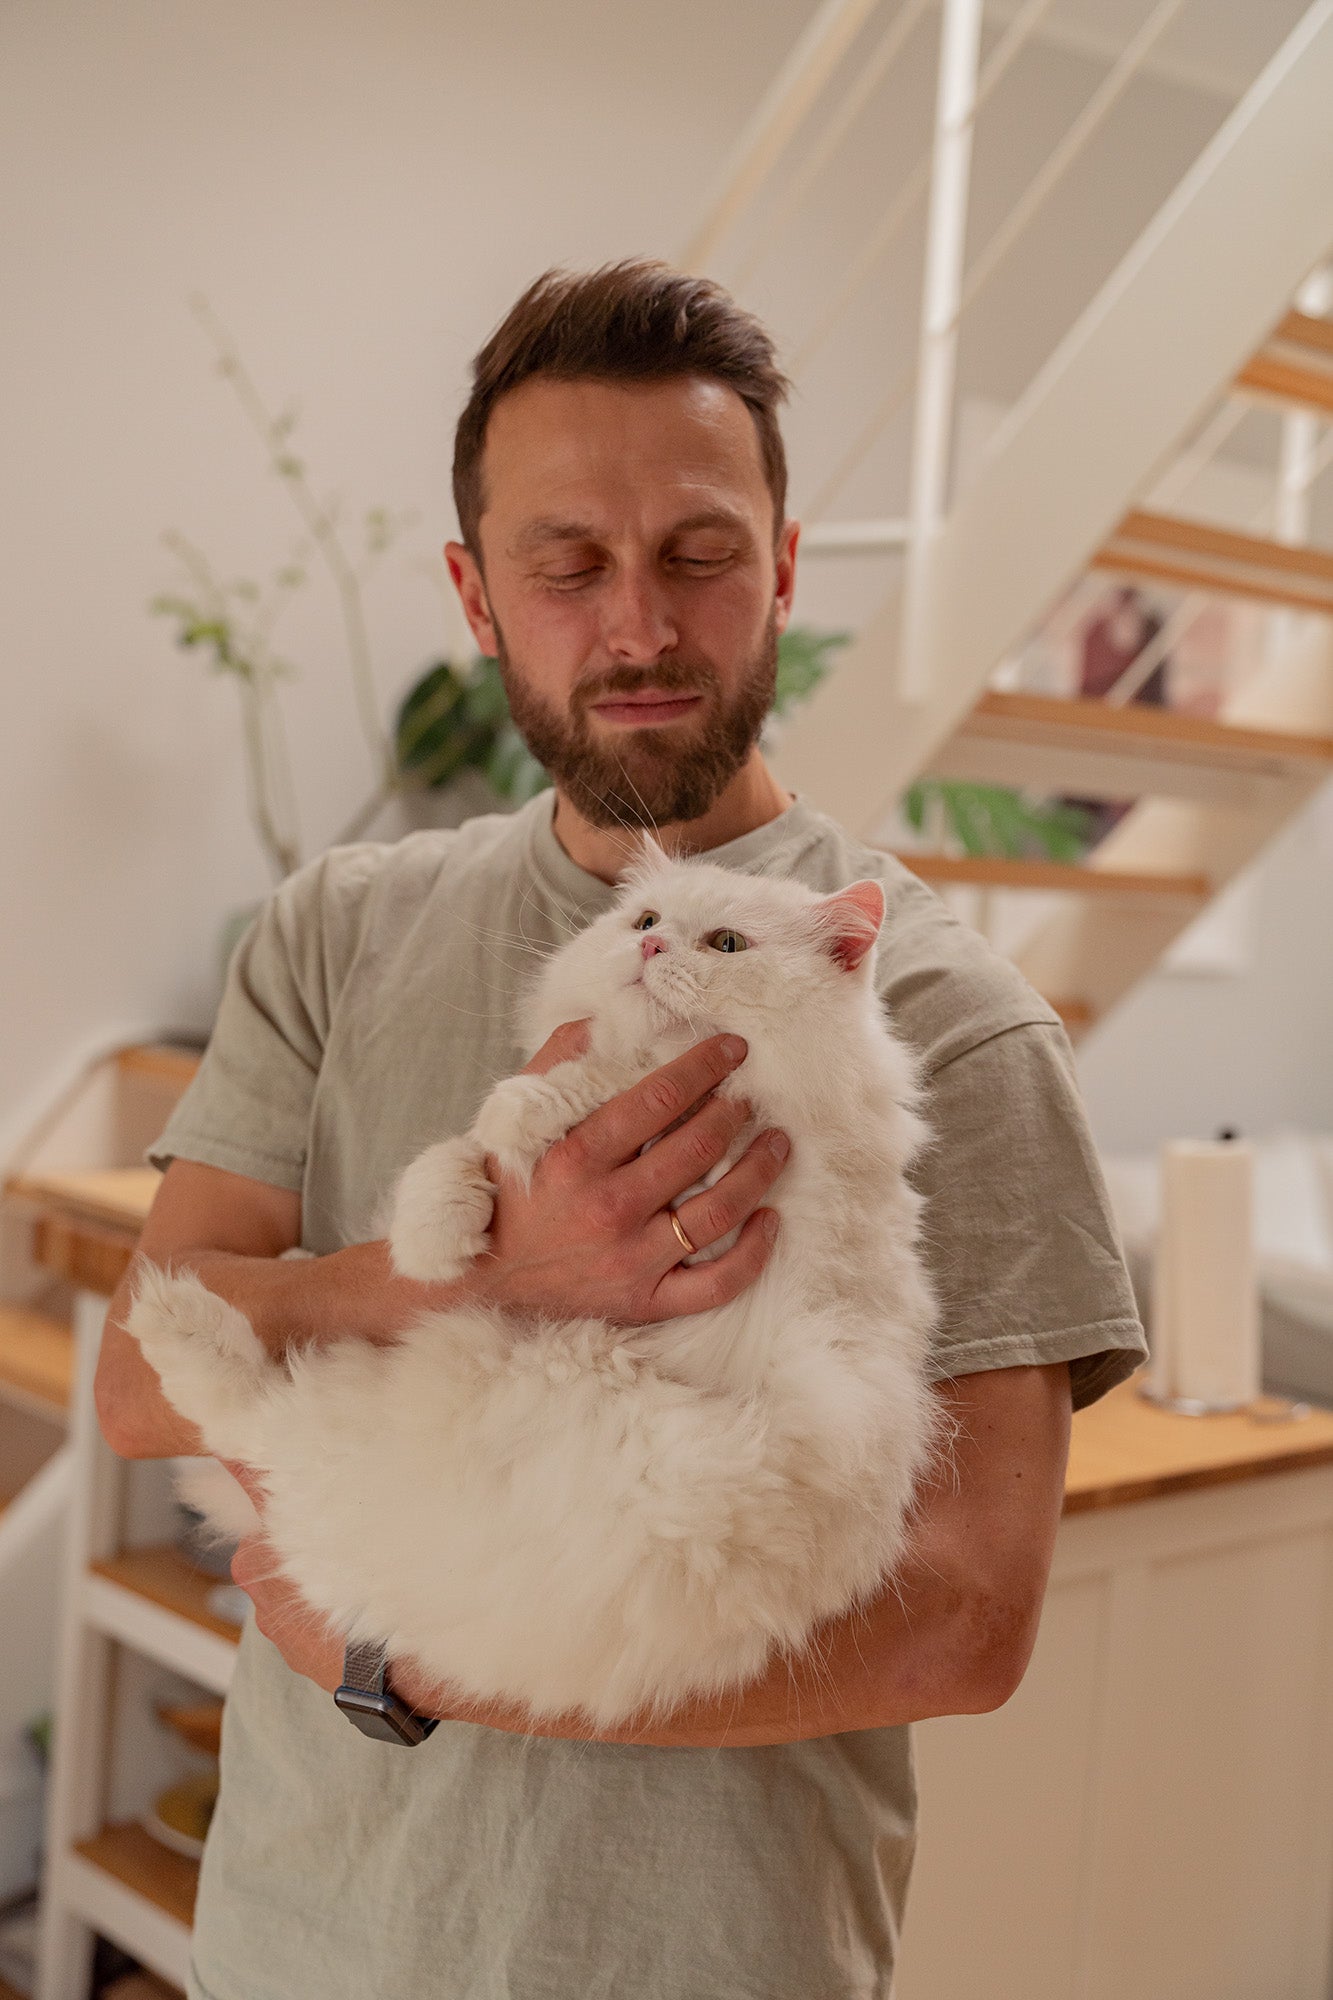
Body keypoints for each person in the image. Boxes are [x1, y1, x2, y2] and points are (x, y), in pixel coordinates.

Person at [95, 261, 1146, 2000]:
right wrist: (493, 1273)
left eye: (700, 555)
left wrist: (408, 1662)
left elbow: (966, 1621)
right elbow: (148, 1371)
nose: (639, 626)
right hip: (303, 1943)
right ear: (477, 593)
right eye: (567, 563)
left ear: (785, 570)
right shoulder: (337, 931)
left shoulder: (950, 1019)